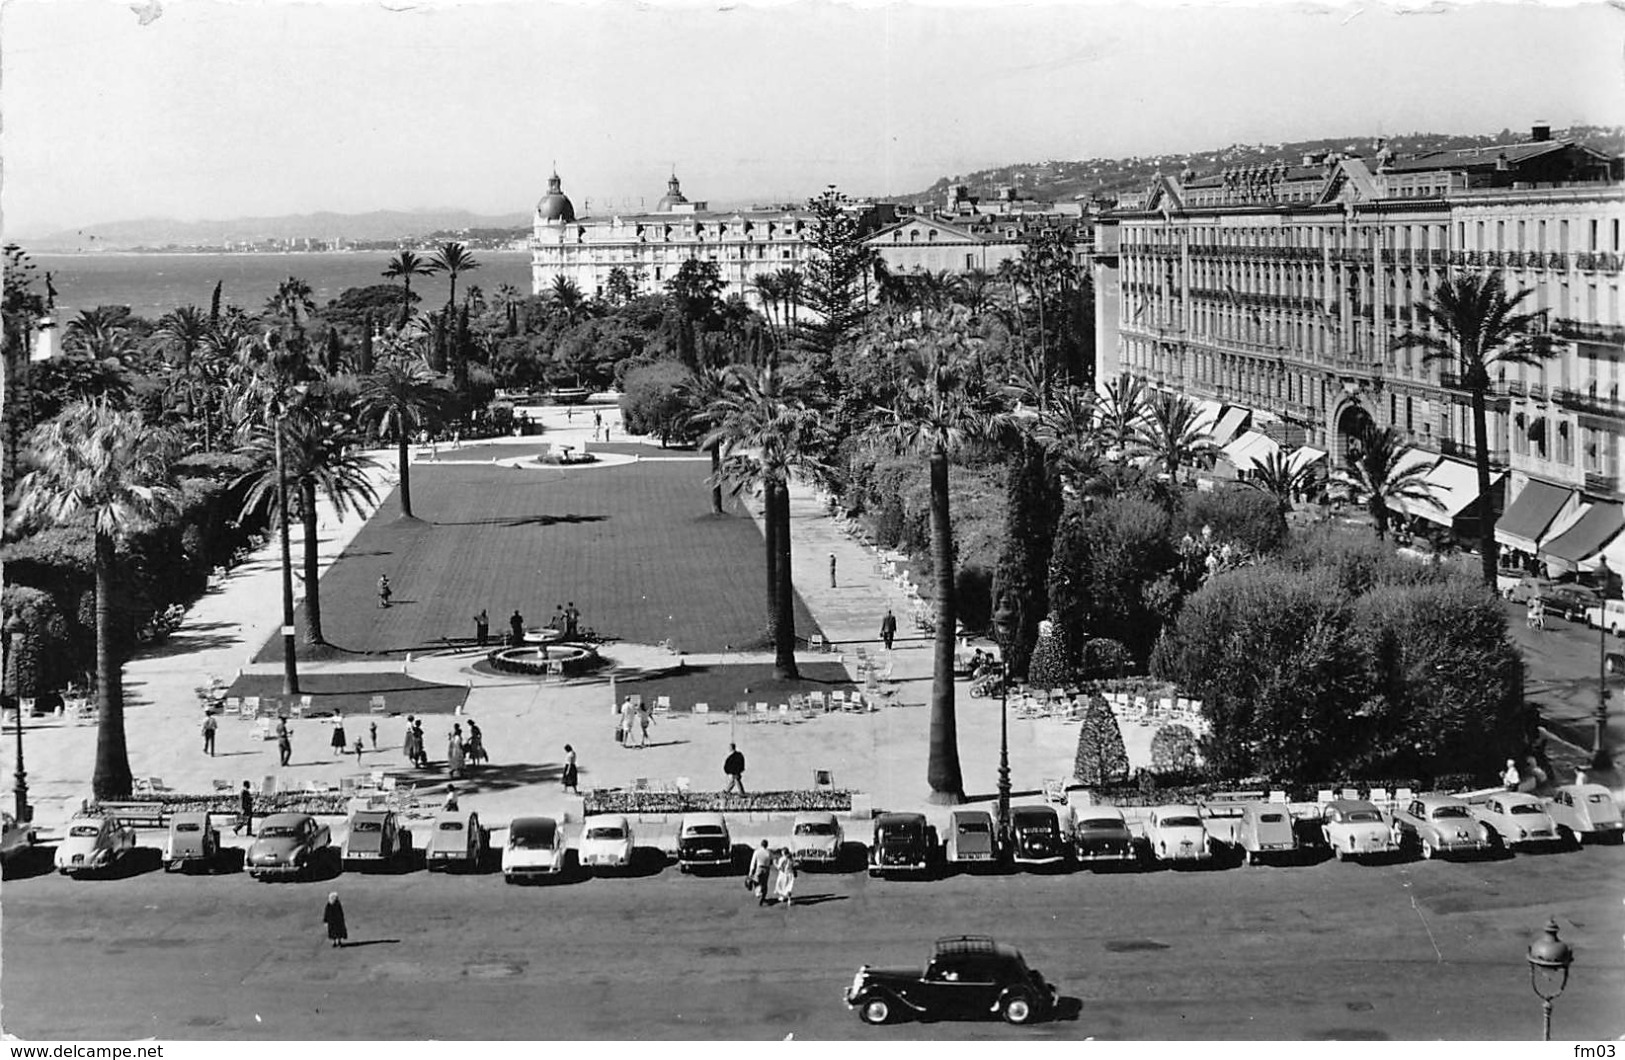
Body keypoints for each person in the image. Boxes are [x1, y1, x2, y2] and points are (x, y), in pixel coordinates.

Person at [747, 840, 773, 907]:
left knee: (756, 881)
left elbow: (753, 862)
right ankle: (763, 897)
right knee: (764, 883)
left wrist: (751, 872)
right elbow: (771, 861)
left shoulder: (757, 852)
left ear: (761, 844)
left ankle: (758, 892)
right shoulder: (769, 852)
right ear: (767, 845)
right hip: (766, 869)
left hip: (759, 868)